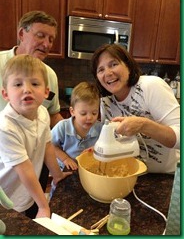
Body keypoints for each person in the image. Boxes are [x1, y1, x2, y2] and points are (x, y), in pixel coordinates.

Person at [0, 55, 72, 219]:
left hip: (25, 190)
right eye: (18, 84)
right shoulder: (5, 127)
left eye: (34, 83)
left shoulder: (42, 113)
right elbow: (24, 169)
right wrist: (43, 206)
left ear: (46, 91)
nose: (27, 89)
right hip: (5, 196)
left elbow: (47, 146)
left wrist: (57, 175)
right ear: (5, 94)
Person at [91, 43, 180, 174]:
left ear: (128, 65)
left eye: (113, 64)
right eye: (101, 69)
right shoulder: (105, 103)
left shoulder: (151, 86)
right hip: (131, 175)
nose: (108, 73)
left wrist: (143, 125)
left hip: (166, 178)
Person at [0, 10, 63, 128]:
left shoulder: (50, 75)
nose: (46, 44)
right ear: (21, 34)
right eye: (40, 36)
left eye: (51, 39)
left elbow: (53, 115)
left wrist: (76, 130)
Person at [51, 82, 103, 171]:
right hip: (66, 169)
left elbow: (107, 147)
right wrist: (65, 159)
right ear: (72, 111)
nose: (90, 117)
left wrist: (97, 149)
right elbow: (50, 145)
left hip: (90, 169)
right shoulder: (62, 127)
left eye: (94, 113)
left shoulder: (101, 128)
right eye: (83, 113)